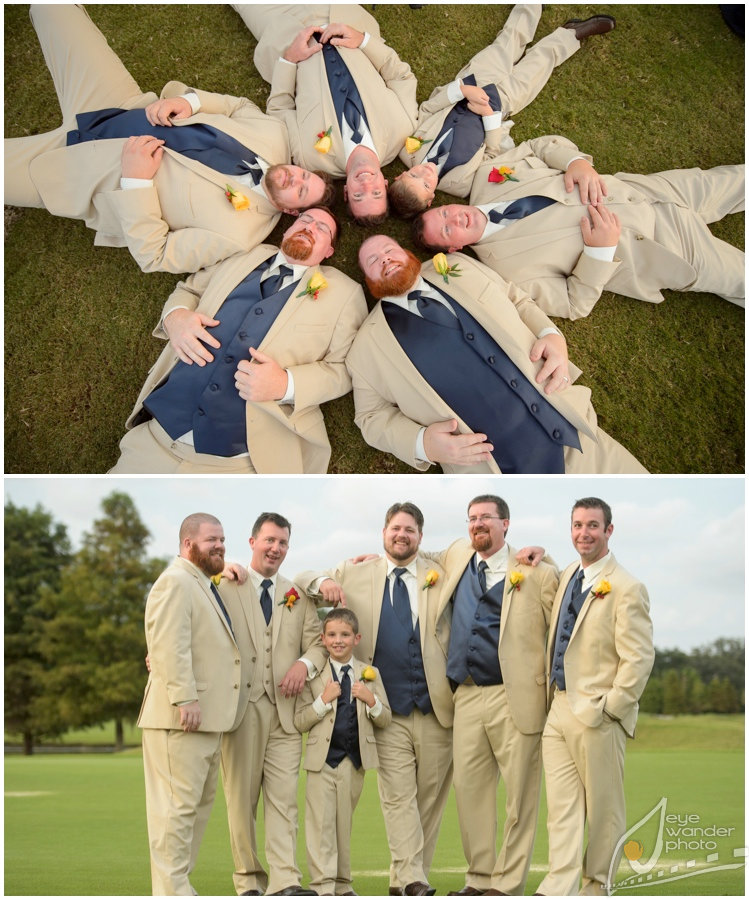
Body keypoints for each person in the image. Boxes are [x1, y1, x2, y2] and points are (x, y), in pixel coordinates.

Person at [4, 5, 334, 274]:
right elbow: (238, 106)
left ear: (290, 212)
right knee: (53, 9)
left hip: (76, 171)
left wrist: (136, 183)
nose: (294, 178)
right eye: (303, 175)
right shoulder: (273, 134)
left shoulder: (236, 235)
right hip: (118, 105)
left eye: (300, 191)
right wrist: (189, 102)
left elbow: (155, 255)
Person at [348, 235, 647, 474]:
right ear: (368, 281)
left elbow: (516, 298)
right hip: (496, 475)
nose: (385, 257)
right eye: (373, 260)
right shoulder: (366, 348)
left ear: (407, 253)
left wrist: (551, 335)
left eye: (390, 249)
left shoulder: (459, 264)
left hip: (577, 434)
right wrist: (421, 444)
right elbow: (370, 418)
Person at [109, 208, 367, 473]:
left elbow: (344, 368)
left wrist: (285, 385)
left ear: (329, 252)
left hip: (240, 462)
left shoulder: (345, 294)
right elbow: (189, 289)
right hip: (155, 439)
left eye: (322, 229)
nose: (310, 227)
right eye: (305, 220)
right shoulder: (245, 253)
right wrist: (176, 318)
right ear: (289, 229)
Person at [295, 502, 452, 896]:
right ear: (384, 533)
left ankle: (405, 881)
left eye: (410, 530)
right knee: (399, 798)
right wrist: (322, 583)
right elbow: (303, 579)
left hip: (436, 707)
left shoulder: (440, 573)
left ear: (420, 536)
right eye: (396, 528)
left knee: (429, 803)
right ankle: (415, 880)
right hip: (385, 710)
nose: (402, 535)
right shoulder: (355, 570)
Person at [413, 136, 745, 317]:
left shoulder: (490, 177)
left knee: (736, 178)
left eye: (444, 213)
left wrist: (577, 164)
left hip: (650, 191)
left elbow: (539, 147)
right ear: (454, 248)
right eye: (446, 230)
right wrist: (599, 254)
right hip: (662, 248)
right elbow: (574, 304)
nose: (454, 218)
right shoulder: (510, 273)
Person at [420, 495, 558, 896]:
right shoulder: (458, 554)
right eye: (472, 518)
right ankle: (479, 880)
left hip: (514, 696)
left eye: (486, 518)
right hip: (465, 695)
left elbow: (569, 597)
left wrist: (546, 556)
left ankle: (507, 884)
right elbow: (416, 555)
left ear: (506, 524)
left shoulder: (535, 572)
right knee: (470, 793)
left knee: (520, 798)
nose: (478, 524)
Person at [389, 6, 615, 217]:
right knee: (537, 67)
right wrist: (489, 115)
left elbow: (428, 108)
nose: (425, 173)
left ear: (401, 174)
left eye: (413, 175)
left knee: (508, 43)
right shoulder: (461, 186)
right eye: (426, 184)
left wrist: (464, 90)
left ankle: (530, 7)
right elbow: (491, 154)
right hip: (500, 105)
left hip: (474, 82)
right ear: (431, 199)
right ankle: (570, 35)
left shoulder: (406, 149)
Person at [536, 498, 654, 896]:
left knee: (604, 811)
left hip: (597, 713)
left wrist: (613, 708)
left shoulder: (627, 587)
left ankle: (597, 884)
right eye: (577, 525)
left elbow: (638, 658)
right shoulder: (570, 571)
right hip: (557, 709)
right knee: (562, 810)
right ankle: (560, 884)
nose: (583, 533)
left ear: (609, 530)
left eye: (592, 526)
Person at [218, 513, 327, 897]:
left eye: (282, 543)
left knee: (284, 801)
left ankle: (286, 882)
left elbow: (318, 643)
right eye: (269, 540)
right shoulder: (225, 585)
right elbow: (193, 617)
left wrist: (303, 663)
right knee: (241, 801)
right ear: (251, 542)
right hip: (241, 710)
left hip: (285, 715)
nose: (276, 548)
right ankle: (248, 881)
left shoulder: (295, 594)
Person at [232, 4, 418, 224]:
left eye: (359, 195)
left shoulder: (310, 160)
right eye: (376, 193)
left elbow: (280, 108)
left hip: (282, 25)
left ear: (347, 192)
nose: (366, 184)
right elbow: (400, 76)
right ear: (385, 185)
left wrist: (289, 59)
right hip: (338, 12)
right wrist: (363, 40)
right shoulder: (403, 128)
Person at [137, 513, 240, 895]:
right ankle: (171, 890)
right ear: (188, 543)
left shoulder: (201, 583)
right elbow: (168, 645)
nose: (220, 545)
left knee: (194, 809)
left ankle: (177, 884)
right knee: (176, 810)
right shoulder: (176, 582)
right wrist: (185, 697)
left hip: (208, 720)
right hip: (182, 717)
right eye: (212, 539)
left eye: (223, 539)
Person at [295, 608, 392, 897]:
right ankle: (323, 885)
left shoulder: (369, 674)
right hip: (321, 760)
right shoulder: (315, 677)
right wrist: (323, 702)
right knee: (321, 825)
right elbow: (300, 720)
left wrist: (370, 698)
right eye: (333, 635)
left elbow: (385, 718)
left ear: (356, 638)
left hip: (354, 761)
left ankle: (343, 884)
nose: (339, 641)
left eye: (345, 635)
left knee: (342, 825)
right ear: (323, 639)